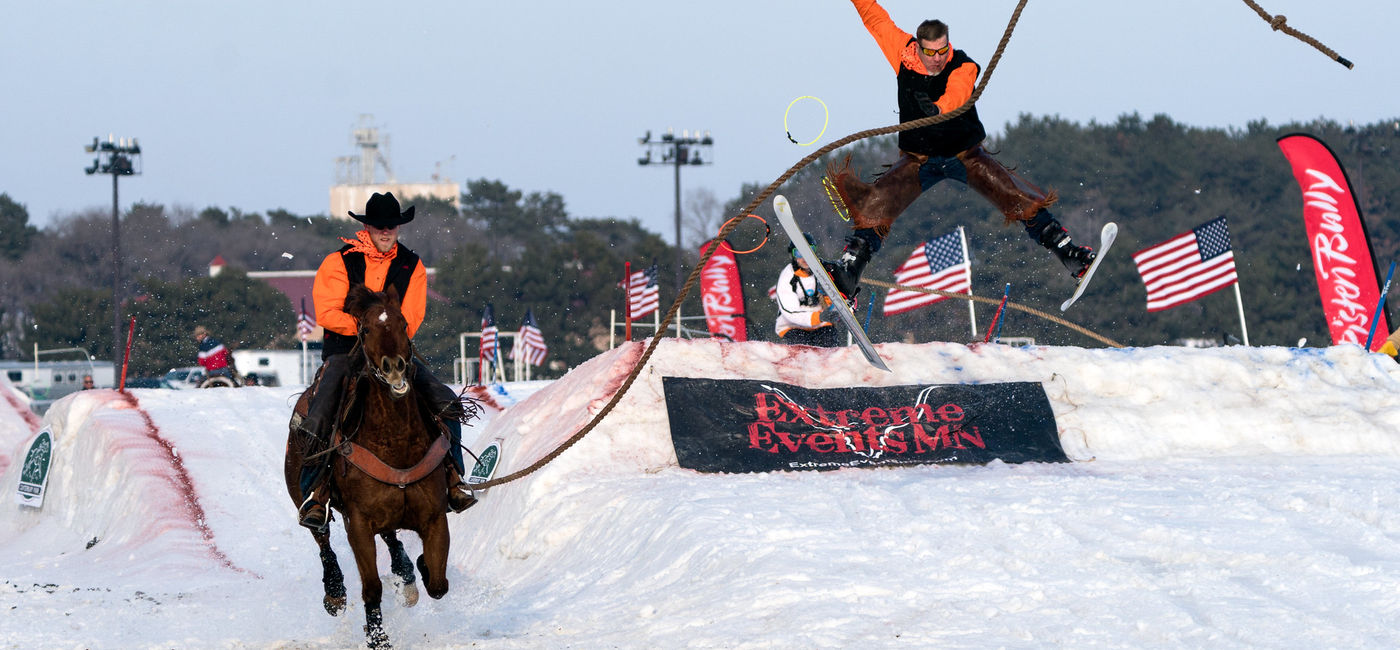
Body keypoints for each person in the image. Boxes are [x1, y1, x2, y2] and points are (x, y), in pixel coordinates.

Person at [824, 0, 1097, 299]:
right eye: (930, 52)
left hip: (965, 156)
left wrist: (938, 108)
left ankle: (1070, 255)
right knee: (874, 207)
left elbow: (959, 90)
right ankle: (849, 273)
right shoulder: (902, 53)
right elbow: (874, 18)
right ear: (918, 47)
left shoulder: (963, 65)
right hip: (918, 161)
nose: (938, 58)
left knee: (1018, 199)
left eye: (943, 50)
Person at [296, 191, 474, 531]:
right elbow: (327, 312)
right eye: (379, 225)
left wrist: (387, 336)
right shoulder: (338, 261)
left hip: (393, 353)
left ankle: (454, 478)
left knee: (447, 404)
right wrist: (367, 328)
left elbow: (412, 316)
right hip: (345, 353)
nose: (386, 231)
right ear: (367, 227)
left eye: (391, 225)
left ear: (398, 227)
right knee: (320, 413)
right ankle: (314, 493)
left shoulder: (412, 265)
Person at [774, 233, 841, 348]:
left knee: (830, 338)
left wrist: (836, 309)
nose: (805, 258)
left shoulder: (822, 272)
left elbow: (836, 296)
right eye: (799, 253)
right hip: (792, 326)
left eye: (809, 252)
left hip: (820, 325)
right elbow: (789, 311)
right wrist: (817, 317)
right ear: (793, 255)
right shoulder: (788, 276)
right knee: (801, 346)